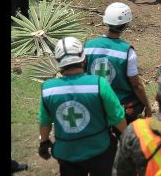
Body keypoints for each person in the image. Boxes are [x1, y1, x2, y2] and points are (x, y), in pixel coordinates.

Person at [38, 37, 127, 176]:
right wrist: (127, 139)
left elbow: (44, 122)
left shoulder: (48, 89)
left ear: (58, 61)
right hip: (99, 149)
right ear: (84, 59)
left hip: (67, 154)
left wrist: (44, 142)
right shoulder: (99, 84)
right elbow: (117, 116)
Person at [85, 2, 154, 125]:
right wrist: (148, 106)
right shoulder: (127, 51)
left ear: (106, 22)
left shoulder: (88, 46)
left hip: (94, 101)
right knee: (138, 102)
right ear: (126, 24)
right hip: (119, 104)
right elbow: (136, 85)